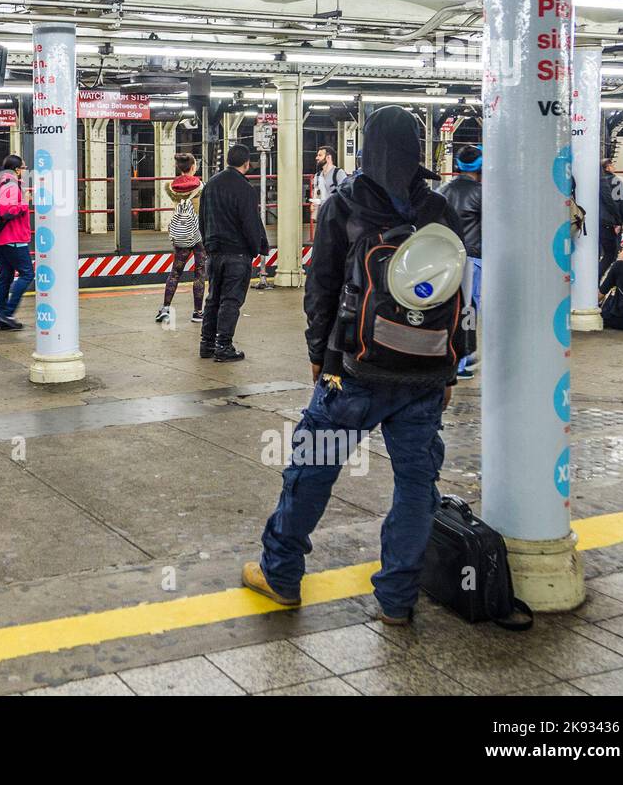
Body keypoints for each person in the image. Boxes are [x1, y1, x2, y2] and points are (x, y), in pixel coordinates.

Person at [244, 105, 464, 627]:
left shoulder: (343, 206)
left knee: (313, 469)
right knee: (416, 484)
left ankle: (280, 574)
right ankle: (397, 599)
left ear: (366, 146)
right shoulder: (439, 211)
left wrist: (319, 358)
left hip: (353, 371)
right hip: (425, 375)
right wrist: (449, 370)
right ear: (418, 148)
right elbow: (461, 296)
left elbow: (319, 289)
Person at [198, 143, 268, 362]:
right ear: (247, 163)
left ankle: (206, 344)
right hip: (237, 253)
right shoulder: (245, 189)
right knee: (231, 300)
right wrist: (256, 247)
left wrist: (208, 243)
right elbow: (250, 222)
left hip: (214, 252)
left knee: (213, 299)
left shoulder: (210, 184)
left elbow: (202, 218)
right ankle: (223, 346)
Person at [437, 144, 483, 379]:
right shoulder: (481, 192)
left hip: (446, 256)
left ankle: (452, 354)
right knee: (469, 308)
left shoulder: (443, 189)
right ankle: (461, 362)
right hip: (472, 257)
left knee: (450, 307)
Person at [0, 154, 34, 331]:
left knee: (6, 276)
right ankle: (7, 313)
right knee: (27, 273)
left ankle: (2, 317)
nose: (24, 171)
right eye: (23, 167)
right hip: (12, 238)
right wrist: (24, 202)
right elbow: (8, 210)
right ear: (16, 169)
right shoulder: (11, 185)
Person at [157, 153, 206, 325]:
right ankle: (197, 312)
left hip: (181, 233)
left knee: (175, 272)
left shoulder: (170, 187)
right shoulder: (201, 187)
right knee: (199, 272)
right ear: (193, 167)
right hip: (198, 234)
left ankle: (165, 308)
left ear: (179, 168)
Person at [599, 157, 623, 280]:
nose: (614, 167)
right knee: (612, 252)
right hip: (611, 220)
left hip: (597, 221)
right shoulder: (615, 181)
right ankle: (606, 279)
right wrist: (622, 219)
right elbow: (621, 201)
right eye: (612, 165)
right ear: (607, 168)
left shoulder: (594, 180)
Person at [311, 145, 345, 223]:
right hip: (322, 218)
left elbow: (343, 195)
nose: (317, 158)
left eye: (320, 155)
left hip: (336, 218)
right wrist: (314, 204)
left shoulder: (339, 173)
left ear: (328, 158)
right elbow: (316, 194)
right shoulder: (317, 176)